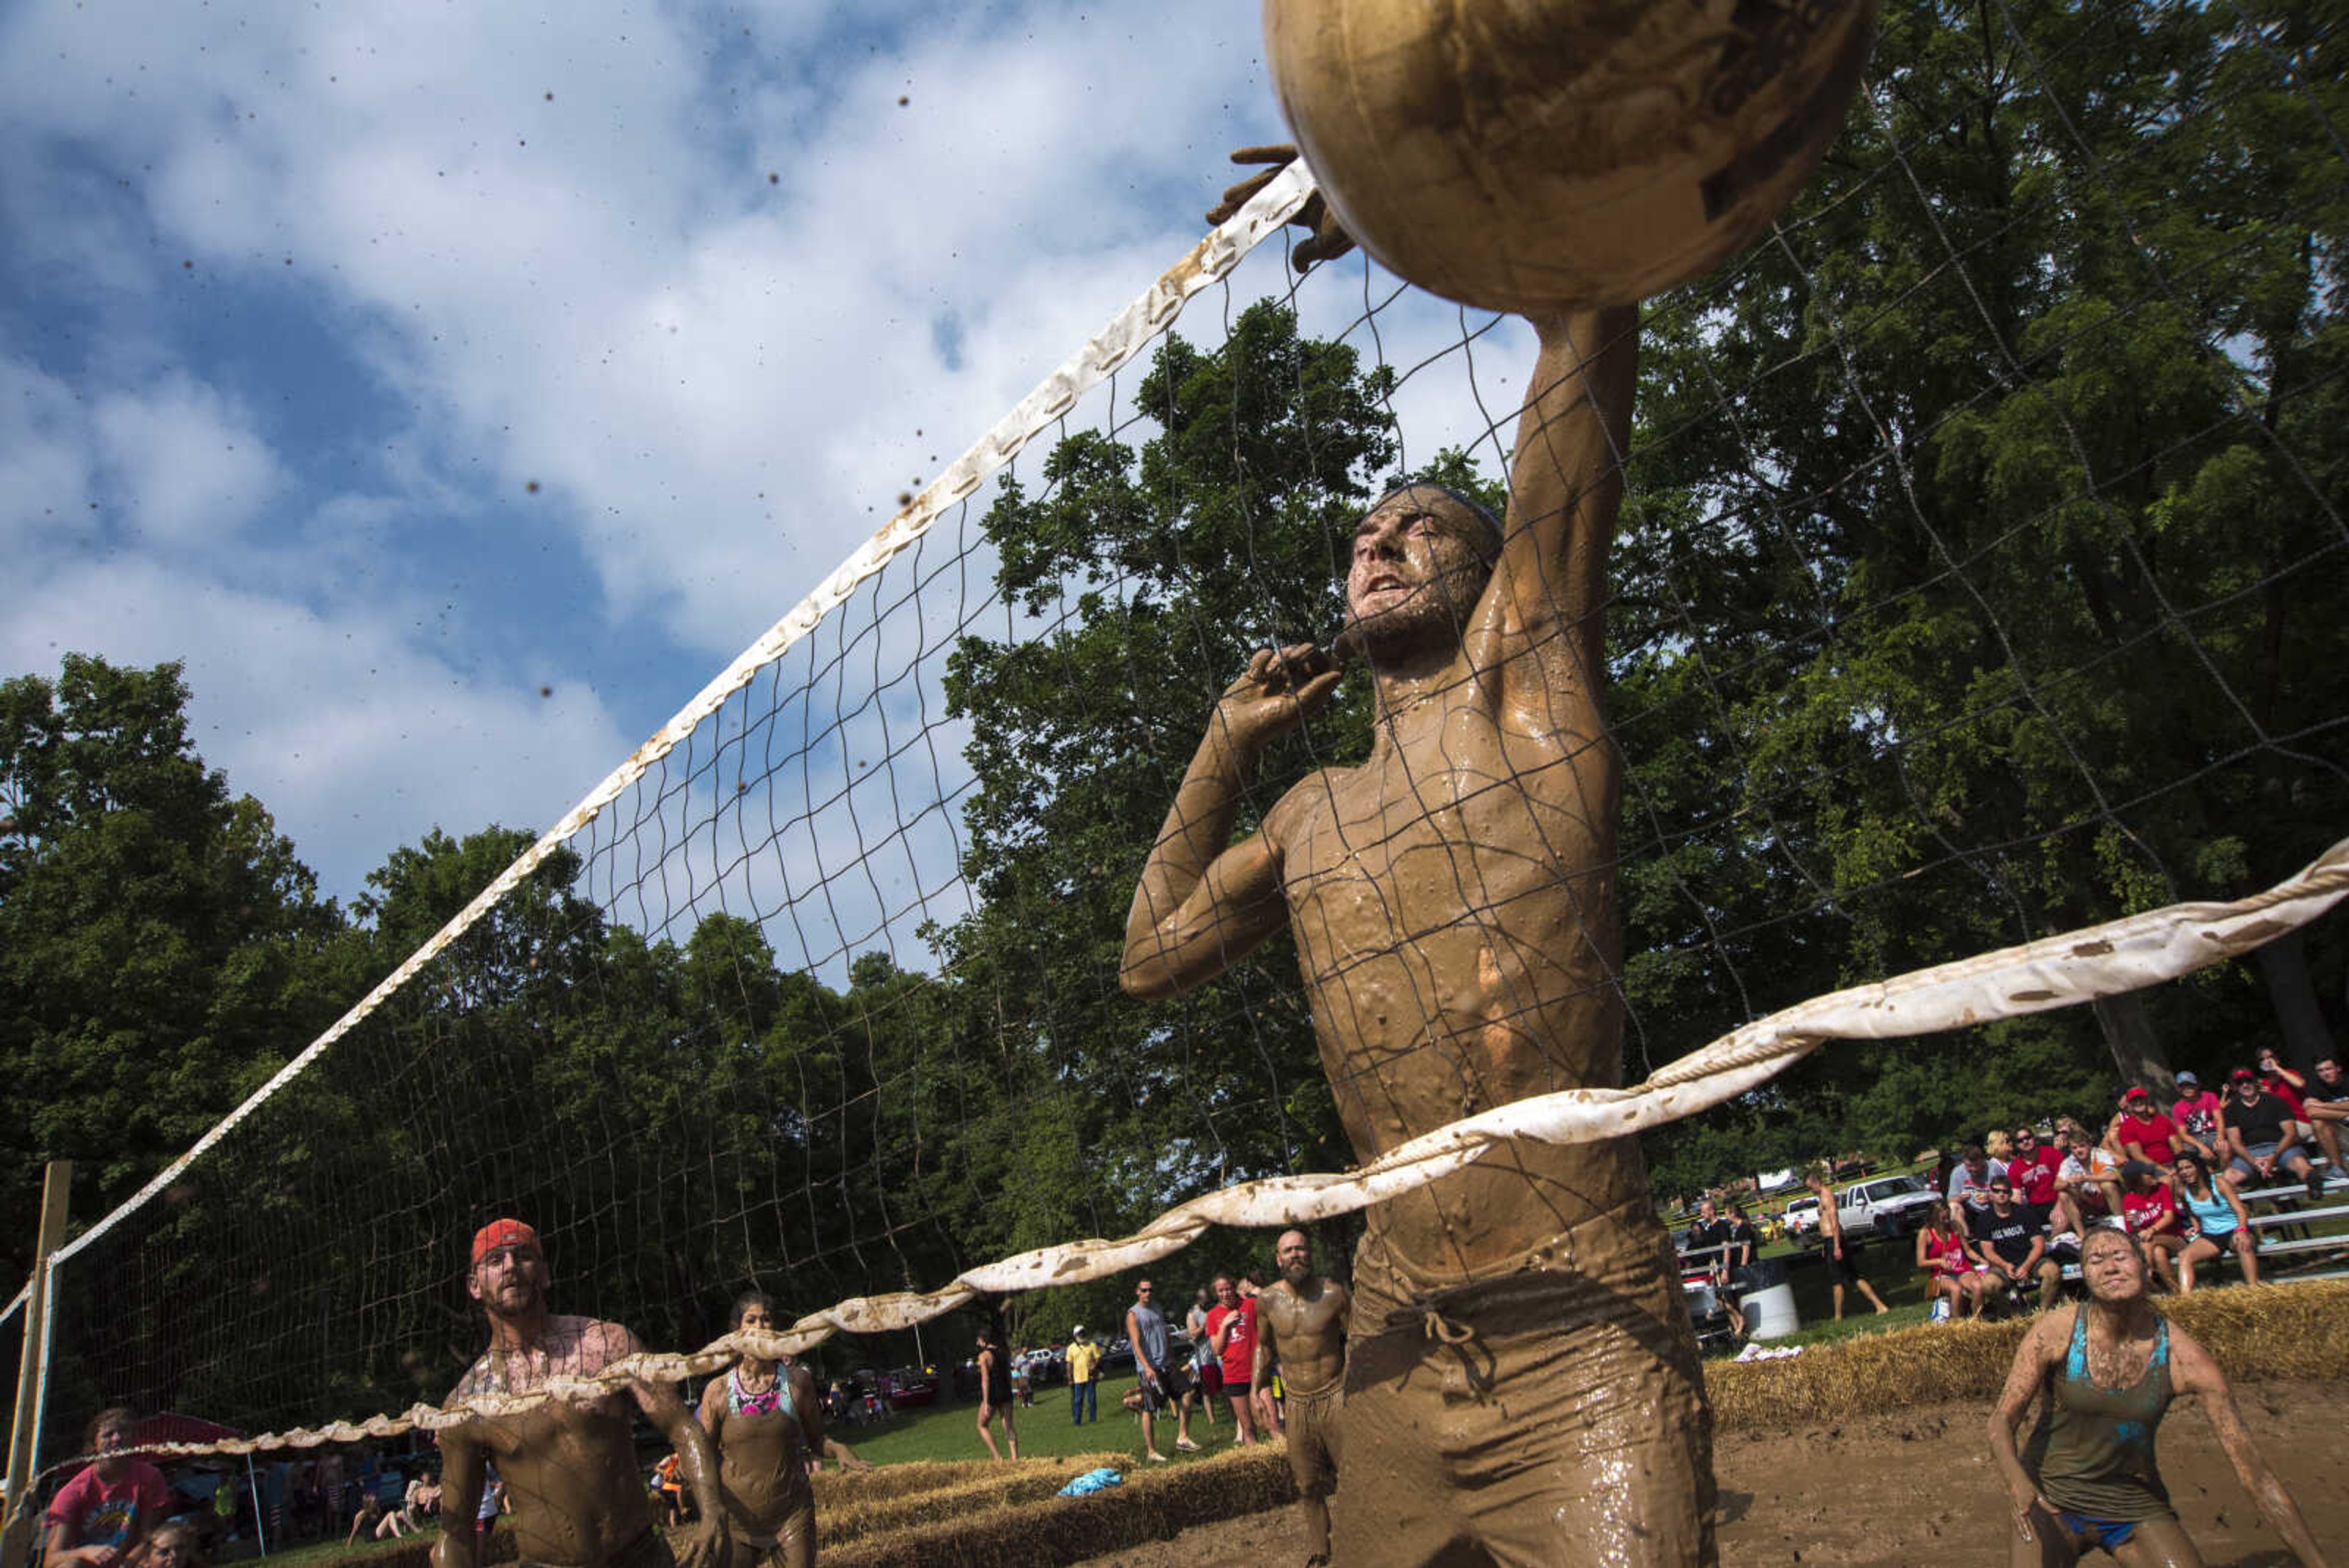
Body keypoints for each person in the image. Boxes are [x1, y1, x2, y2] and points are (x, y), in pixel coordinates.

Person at [1121, 284, 1716, 1561]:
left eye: (1421, 530)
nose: (1379, 545)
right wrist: (1222, 747)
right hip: (1394, 1335)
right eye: (1363, 537)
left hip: (1578, 1310)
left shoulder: (1535, 704)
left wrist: (1445, 225)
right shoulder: (1310, 812)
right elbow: (1148, 955)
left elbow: (1588, 340)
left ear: (1499, 578)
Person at [1985, 1227, 2328, 1567]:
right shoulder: (2055, 1332)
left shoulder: (2183, 1357)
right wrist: (2018, 1485)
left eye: (2121, 1257)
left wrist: (2317, 1564)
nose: (2110, 1267)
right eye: (2096, 1261)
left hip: (2133, 1505)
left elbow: (2255, 1474)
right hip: (2050, 1502)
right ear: (2086, 1277)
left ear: (2144, 1265)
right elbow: (2001, 1421)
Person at [433, 1220, 730, 1568]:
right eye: (496, 1260)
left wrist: (713, 1513)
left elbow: (683, 1427)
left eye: (523, 1255)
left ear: (544, 1274)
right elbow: (456, 1532)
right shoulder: (468, 1402)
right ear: (474, 1285)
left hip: (639, 1557)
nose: (511, 1266)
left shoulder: (607, 1345)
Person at [692, 1291, 823, 1568]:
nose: (760, 1327)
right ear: (737, 1331)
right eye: (751, 1320)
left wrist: (836, 1450)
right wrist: (708, 1510)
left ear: (776, 1329)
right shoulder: (716, 1391)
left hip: (793, 1514)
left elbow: (819, 1440)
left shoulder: (798, 1382)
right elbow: (704, 1454)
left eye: (767, 1319)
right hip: (739, 1521)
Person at [1252, 1232, 1350, 1568]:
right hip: (1295, 1404)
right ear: (1278, 1259)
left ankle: (1360, 1544)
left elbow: (1355, 1340)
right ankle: (1321, 1550)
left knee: (1351, 1477)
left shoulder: (1334, 1295)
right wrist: (1256, 1391)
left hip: (1334, 1395)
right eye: (1288, 1250)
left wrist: (1354, 1384)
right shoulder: (1266, 1301)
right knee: (1307, 1484)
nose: (1295, 1255)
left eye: (1301, 1248)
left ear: (1310, 1254)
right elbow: (1263, 1347)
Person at [46, 1408, 167, 1568]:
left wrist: (128, 1562)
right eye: (108, 1435)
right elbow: (50, 1560)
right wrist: (85, 1552)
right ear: (93, 1445)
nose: (117, 1438)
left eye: (124, 1431)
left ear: (134, 1438)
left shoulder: (150, 1478)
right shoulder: (72, 1493)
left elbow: (150, 1536)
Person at [1123, 1278, 1195, 1462]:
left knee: (1188, 1391)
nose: (1148, 1294)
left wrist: (1172, 1357)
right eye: (1144, 1290)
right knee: (1149, 1408)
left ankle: (1183, 1437)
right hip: (1149, 1368)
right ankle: (1151, 1451)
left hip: (1167, 1363)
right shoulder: (1133, 1314)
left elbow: (1164, 1334)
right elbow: (1136, 1344)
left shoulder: (1157, 1309)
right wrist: (1147, 1367)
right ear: (1137, 1292)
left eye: (1150, 1290)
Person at [1970, 1176, 2062, 1315]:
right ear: (1991, 1193)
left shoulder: (2024, 1213)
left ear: (2011, 1194)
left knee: (2052, 1272)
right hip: (2003, 1266)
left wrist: (2027, 1266)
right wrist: (2005, 1266)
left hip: (2031, 1261)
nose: (2001, 1194)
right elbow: (1988, 1252)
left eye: (2005, 1191)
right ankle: (2015, 1315)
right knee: (1988, 1286)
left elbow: (2039, 1244)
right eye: (1997, 1191)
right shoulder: (1984, 1219)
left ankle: (2043, 1313)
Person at [2170, 1153, 2258, 1294]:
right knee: (2184, 1256)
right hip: (2211, 1235)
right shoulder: (2183, 1191)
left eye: (2189, 1167)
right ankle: (2186, 1300)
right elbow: (2190, 1212)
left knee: (2243, 1244)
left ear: (2198, 1167)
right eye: (2181, 1169)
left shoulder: (2219, 1183)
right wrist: (2196, 1227)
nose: (2185, 1172)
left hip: (2234, 1229)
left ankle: (2254, 1290)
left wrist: (2241, 1230)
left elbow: (2241, 1211)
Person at [2218, 1066, 2314, 1194]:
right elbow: (2235, 1142)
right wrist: (2253, 1162)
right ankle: (2236, 1211)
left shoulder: (2276, 1101)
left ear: (2256, 1082)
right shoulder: (2231, 1109)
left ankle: (2314, 1189)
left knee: (2301, 1165)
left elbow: (2291, 1134)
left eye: (2248, 1080)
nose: (2245, 1085)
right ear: (2234, 1087)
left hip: (2281, 1148)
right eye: (2240, 1082)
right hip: (2249, 1152)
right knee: (2228, 1178)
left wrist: (2273, 1157)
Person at [1805, 1172, 1888, 1318]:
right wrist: (1826, 1245)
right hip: (1829, 1241)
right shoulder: (1821, 1197)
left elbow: (1835, 1222)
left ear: (1816, 1182)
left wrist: (1836, 1246)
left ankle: (1838, 1317)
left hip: (1835, 1240)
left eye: (1811, 1187)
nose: (1811, 1191)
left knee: (1838, 1280)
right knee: (1851, 1276)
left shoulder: (1826, 1196)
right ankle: (1879, 1306)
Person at [1204, 1276, 1261, 1447]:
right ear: (1216, 1293)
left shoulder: (1249, 1305)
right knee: (1248, 1428)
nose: (1225, 1293)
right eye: (1221, 1290)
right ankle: (1257, 1463)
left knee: (1269, 1421)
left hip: (1258, 1371)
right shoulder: (1213, 1315)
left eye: (1228, 1289)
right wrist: (1224, 1326)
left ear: (1234, 1289)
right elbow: (1217, 1350)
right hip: (1234, 1375)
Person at [1918, 1200, 1992, 1320]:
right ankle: (1957, 1323)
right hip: (1941, 1274)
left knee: (1978, 1287)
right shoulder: (1925, 1233)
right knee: (1956, 1289)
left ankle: (1976, 1319)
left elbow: (1967, 1251)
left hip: (1962, 1269)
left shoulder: (1955, 1226)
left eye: (1948, 1217)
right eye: (1943, 1219)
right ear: (1934, 1218)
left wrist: (1981, 1260)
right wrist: (1939, 1261)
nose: (1947, 1221)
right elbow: (1921, 1262)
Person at [2117, 1162, 2184, 1291]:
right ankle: (2176, 1292)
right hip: (2151, 1244)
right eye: (2148, 1174)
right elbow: (2136, 1229)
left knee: (2147, 1243)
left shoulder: (2161, 1189)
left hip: (2174, 1238)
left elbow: (2169, 1217)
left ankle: (2145, 1274)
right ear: (2137, 1179)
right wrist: (2133, 1225)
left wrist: (2151, 1230)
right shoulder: (2129, 1200)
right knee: (2159, 1254)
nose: (2154, 1175)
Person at [972, 1327, 1019, 1462]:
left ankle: (998, 1458)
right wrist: (1010, 1390)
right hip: (1006, 1392)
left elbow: (985, 1380)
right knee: (1009, 1426)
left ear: (982, 1340)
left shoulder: (984, 1356)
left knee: (981, 1425)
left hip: (993, 1394)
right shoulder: (1004, 1353)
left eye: (978, 1341)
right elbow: (1009, 1375)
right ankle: (1015, 1459)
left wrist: (986, 1402)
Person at [1182, 1287, 1221, 1432]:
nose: (1207, 1304)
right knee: (1207, 1391)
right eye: (1205, 1301)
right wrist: (1205, 1326)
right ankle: (1212, 1420)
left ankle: (1232, 1415)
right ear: (1199, 1300)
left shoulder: (1211, 1309)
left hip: (1218, 1353)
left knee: (1224, 1388)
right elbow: (1192, 1335)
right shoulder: (1193, 1314)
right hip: (1204, 1357)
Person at [2107, 1088, 2177, 1168]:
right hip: (2145, 1163)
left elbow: (2176, 1145)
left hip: (2169, 1160)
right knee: (2113, 1135)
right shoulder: (2118, 1120)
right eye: (2116, 1100)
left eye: (2119, 1098)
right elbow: (2105, 1144)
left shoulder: (2156, 1115)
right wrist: (2118, 1156)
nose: (2119, 1102)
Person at [1948, 1143, 2009, 1233]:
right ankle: (1965, 1239)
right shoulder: (1957, 1173)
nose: (1973, 1169)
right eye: (1969, 1166)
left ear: (1983, 1161)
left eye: (1976, 1165)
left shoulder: (1994, 1169)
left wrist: (1991, 1197)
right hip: (1972, 1211)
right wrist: (1961, 1198)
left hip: (1995, 1207)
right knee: (1954, 1206)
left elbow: (2007, 1190)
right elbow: (1951, 1199)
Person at [2169, 1073, 2222, 1164]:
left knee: (2225, 1147)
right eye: (2182, 1087)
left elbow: (2219, 1119)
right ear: (2179, 1089)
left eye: (2190, 1086)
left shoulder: (2209, 1096)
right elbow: (2183, 1134)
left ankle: (2224, 1173)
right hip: (2194, 1138)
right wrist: (2201, 1146)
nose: (2186, 1089)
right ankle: (2206, 1175)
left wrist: (2220, 1138)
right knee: (2185, 1154)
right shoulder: (2177, 1108)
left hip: (2213, 1133)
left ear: (2197, 1085)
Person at [1065, 1326, 1102, 1425]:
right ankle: (1077, 1421)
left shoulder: (1092, 1345)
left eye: (1083, 1333)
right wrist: (1069, 1378)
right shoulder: (1071, 1348)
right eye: (1079, 1333)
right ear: (1075, 1336)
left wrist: (1094, 1366)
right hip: (1077, 1378)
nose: (1081, 1335)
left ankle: (1093, 1420)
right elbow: (1069, 1364)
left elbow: (1098, 1358)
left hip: (1090, 1377)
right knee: (1078, 1401)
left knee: (1092, 1399)